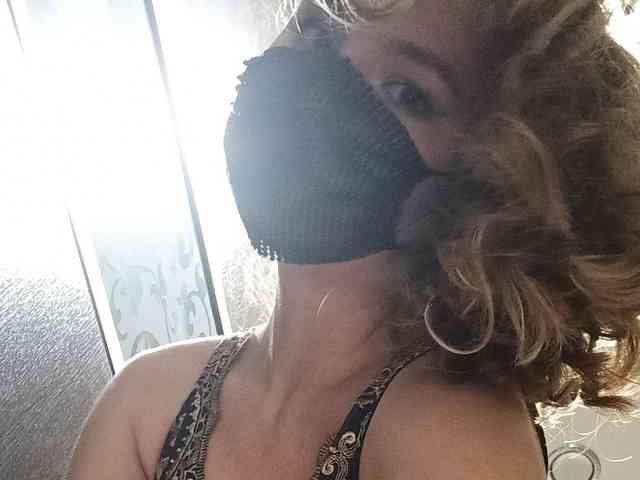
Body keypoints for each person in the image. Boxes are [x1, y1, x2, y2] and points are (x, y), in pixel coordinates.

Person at [68, 1, 640, 479]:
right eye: (318, 33)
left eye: (406, 91)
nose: (312, 84)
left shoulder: (451, 436)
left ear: (488, 177)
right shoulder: (145, 396)